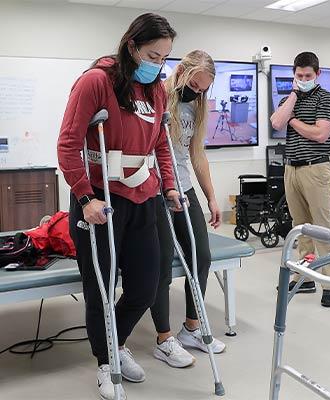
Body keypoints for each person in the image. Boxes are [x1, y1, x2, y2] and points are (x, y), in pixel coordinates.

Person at [57, 13, 180, 400]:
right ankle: (106, 362)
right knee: (101, 287)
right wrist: (84, 197)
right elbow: (68, 143)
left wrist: (171, 186)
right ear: (131, 46)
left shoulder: (157, 90)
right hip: (101, 201)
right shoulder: (96, 81)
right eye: (152, 55)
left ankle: (117, 342)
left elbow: (161, 142)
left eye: (164, 58)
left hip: (145, 197)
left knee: (146, 285)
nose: (157, 65)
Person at [150, 50, 226, 368]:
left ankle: (191, 329)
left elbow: (196, 156)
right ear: (181, 71)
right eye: (194, 84)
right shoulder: (155, 98)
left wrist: (210, 197)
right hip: (155, 190)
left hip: (185, 187)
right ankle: (164, 339)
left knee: (202, 257)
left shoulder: (195, 108)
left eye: (202, 89)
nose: (196, 92)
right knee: (162, 262)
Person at [270, 51, 330, 308]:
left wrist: (294, 120)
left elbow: (320, 134)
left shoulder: (327, 99)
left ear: (317, 74)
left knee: (323, 228)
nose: (303, 79)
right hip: (292, 169)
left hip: (317, 169)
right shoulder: (291, 97)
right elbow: (277, 122)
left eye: (307, 76)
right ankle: (306, 276)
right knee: (300, 227)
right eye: (298, 75)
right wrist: (293, 96)